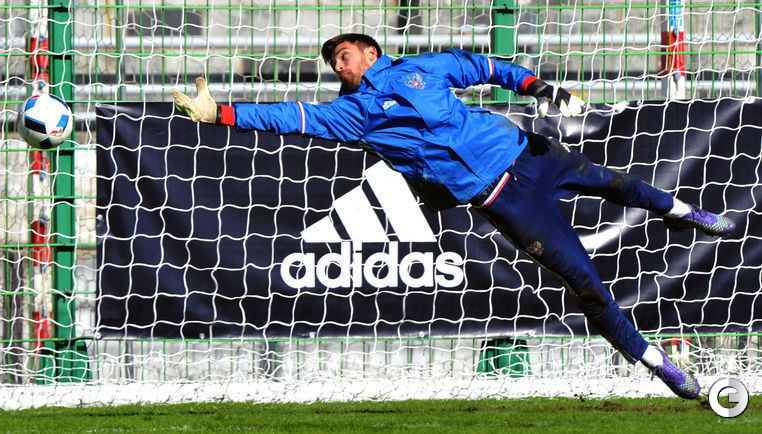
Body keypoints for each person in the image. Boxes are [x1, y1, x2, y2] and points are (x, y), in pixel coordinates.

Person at [173, 33, 736, 399]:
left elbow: (486, 66)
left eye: (341, 55)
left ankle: (687, 212)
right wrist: (220, 113)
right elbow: (287, 116)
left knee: (618, 185)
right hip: (502, 199)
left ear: (369, 53)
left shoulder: (424, 68)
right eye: (332, 63)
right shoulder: (353, 114)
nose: (336, 66)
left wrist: (542, 86)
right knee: (584, 283)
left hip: (529, 155)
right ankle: (659, 364)